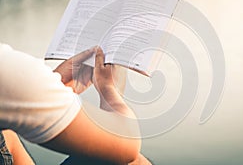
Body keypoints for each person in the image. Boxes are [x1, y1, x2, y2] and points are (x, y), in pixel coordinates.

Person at [0, 43, 142, 164]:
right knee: (129, 160)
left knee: (7, 134)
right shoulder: (6, 66)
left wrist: (51, 88)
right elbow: (127, 143)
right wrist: (109, 89)